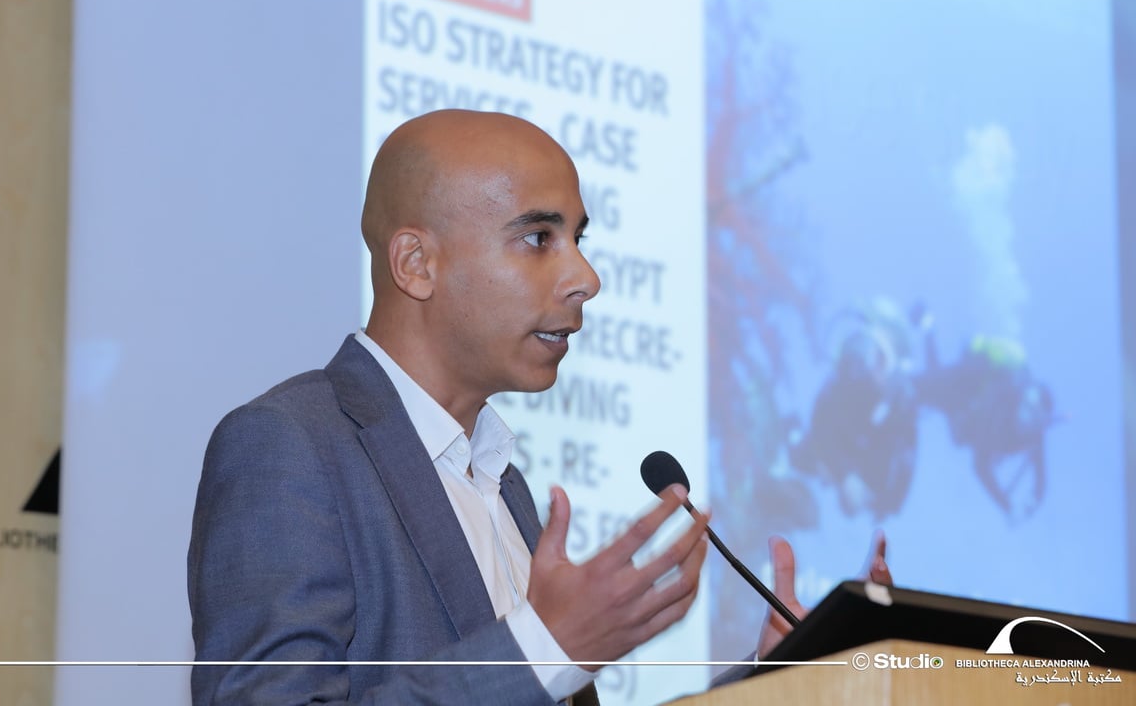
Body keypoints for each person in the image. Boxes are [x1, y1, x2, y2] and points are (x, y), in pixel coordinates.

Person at [188, 109, 889, 705]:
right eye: (538, 238)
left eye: (577, 240)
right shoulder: (291, 447)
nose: (587, 278)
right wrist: (544, 649)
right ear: (416, 264)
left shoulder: (500, 483)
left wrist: (773, 679)